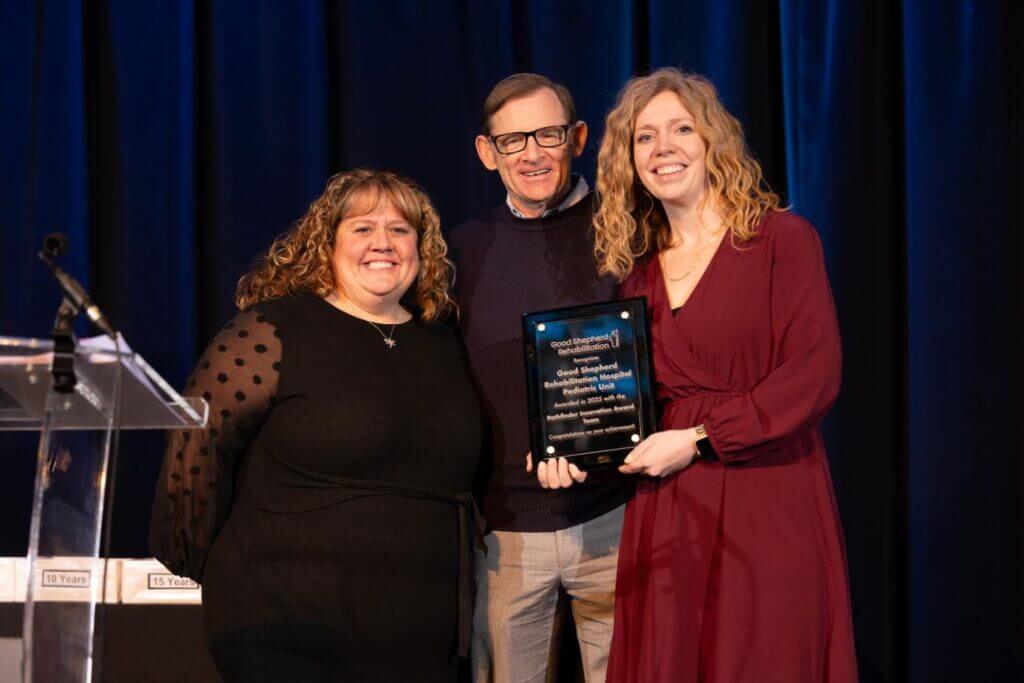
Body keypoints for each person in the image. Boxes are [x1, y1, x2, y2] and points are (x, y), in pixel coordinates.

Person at [149, 169, 483, 682]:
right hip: (285, 625)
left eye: (400, 230)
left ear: (422, 247)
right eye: (362, 228)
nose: (383, 243)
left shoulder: (442, 343)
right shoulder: (271, 330)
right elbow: (196, 446)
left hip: (419, 637)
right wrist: (202, 563)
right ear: (326, 243)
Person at [589, 68, 859, 681]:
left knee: (764, 652)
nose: (663, 149)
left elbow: (814, 373)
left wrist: (701, 439)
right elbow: (625, 402)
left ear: (713, 141)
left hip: (769, 485)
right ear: (628, 160)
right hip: (672, 503)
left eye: (681, 129)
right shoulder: (636, 273)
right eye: (644, 137)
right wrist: (577, 447)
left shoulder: (780, 240)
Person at [448, 73, 630, 682]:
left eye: (547, 134)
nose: (531, 153)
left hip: (619, 516)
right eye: (512, 140)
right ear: (486, 152)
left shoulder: (629, 230)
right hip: (507, 534)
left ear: (576, 138)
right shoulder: (461, 252)